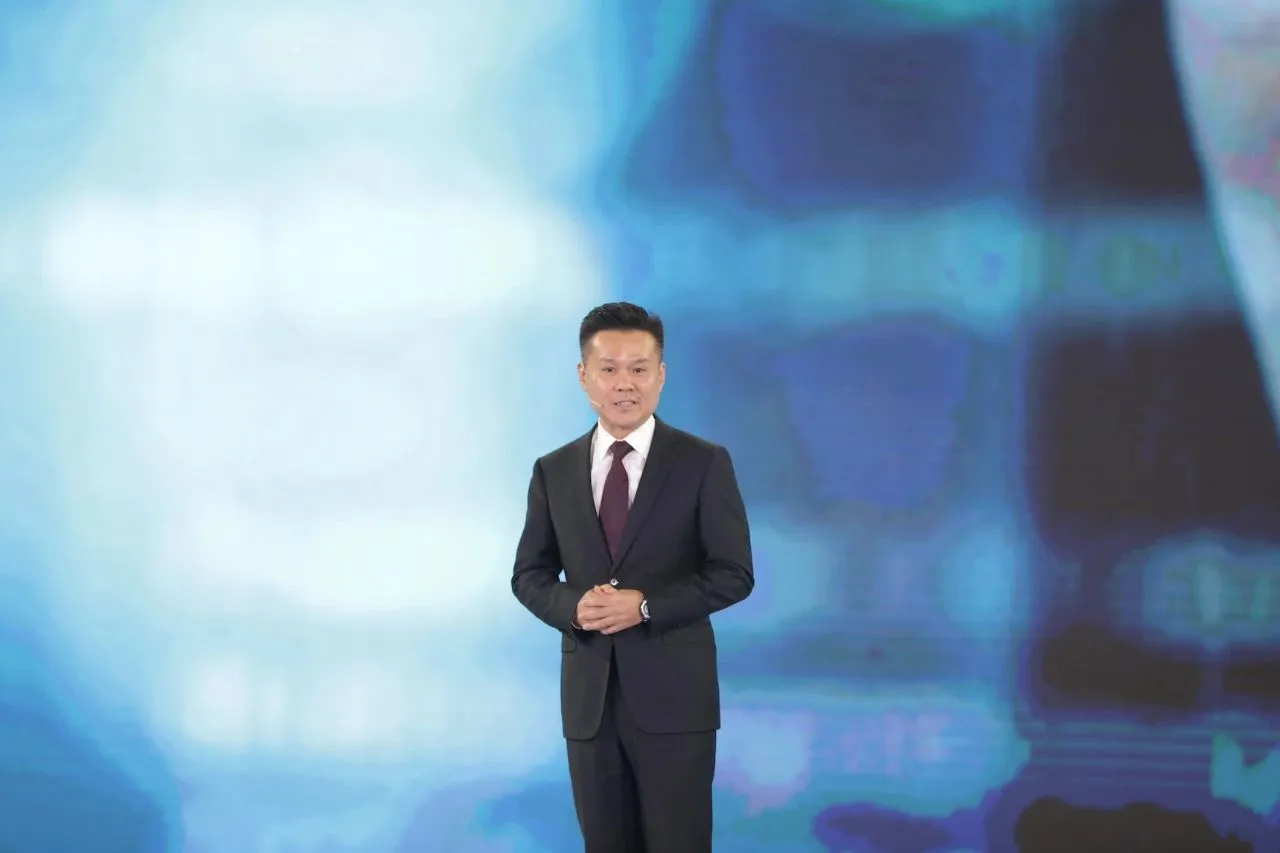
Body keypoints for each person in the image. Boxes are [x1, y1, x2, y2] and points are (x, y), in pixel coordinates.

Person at [511, 301, 755, 852]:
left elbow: (734, 573)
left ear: (660, 375)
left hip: (676, 700)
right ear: (584, 376)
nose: (625, 384)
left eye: (639, 369)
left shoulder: (702, 463)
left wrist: (645, 607)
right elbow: (530, 574)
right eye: (609, 369)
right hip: (589, 705)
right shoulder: (554, 470)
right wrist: (574, 608)